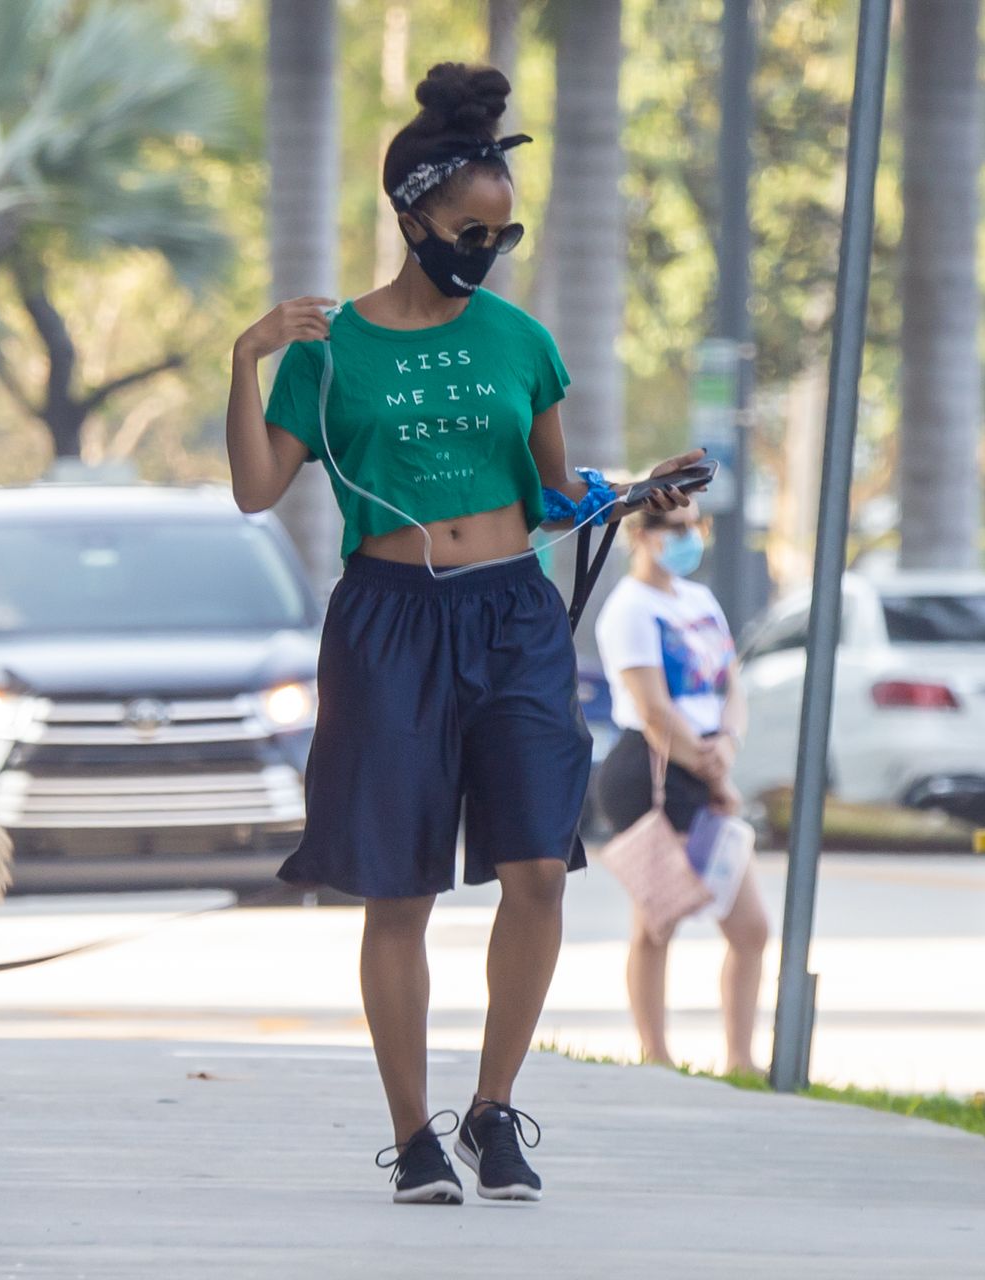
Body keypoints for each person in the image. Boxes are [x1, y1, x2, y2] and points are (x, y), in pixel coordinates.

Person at [225, 61, 700, 1206]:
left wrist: (630, 492)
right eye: (466, 228)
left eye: (502, 231)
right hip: (389, 623)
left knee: (539, 865)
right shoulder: (327, 347)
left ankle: (494, 1109)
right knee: (401, 890)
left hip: (514, 615)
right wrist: (244, 357)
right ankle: (414, 1134)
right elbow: (253, 488)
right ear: (411, 218)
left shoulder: (522, 341)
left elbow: (550, 491)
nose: (484, 249)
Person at [594, 499, 770, 1074]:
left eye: (696, 525)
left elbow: (730, 685)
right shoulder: (628, 609)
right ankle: (657, 1054)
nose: (689, 536)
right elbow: (653, 710)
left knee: (750, 928)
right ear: (641, 535)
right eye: (674, 527)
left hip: (705, 764)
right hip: (653, 773)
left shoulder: (699, 601)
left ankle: (741, 1061)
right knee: (657, 921)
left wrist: (729, 747)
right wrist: (709, 768)